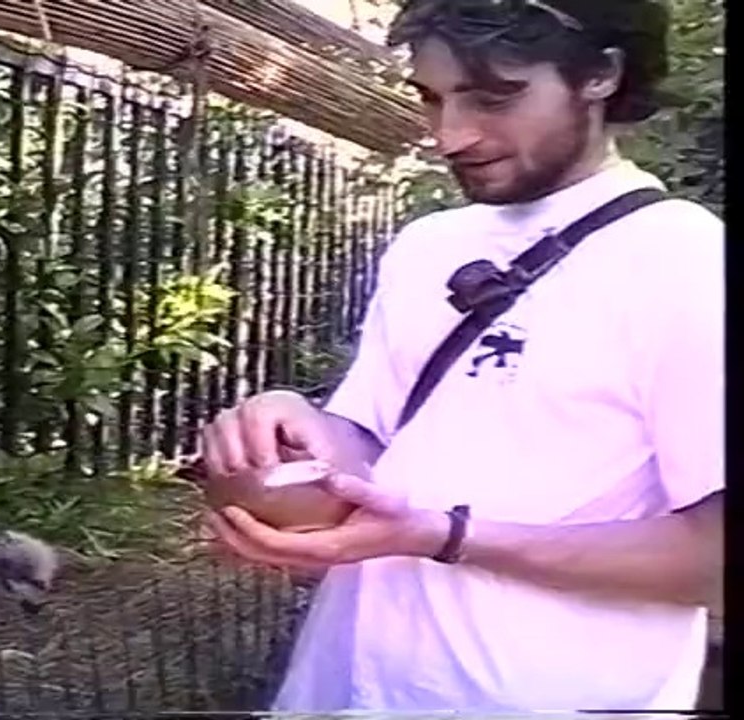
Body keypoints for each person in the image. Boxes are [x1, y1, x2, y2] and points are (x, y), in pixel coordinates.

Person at [198, 0, 723, 712]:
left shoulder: (685, 260)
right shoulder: (430, 245)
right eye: (432, 98)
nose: (451, 136)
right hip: (346, 684)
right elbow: (369, 450)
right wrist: (289, 426)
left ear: (601, 74)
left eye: (494, 97)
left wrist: (447, 538)